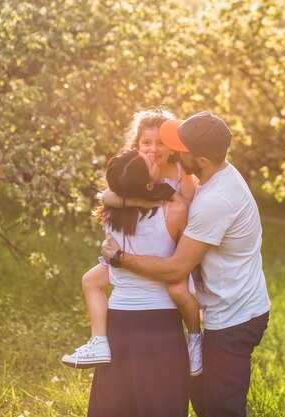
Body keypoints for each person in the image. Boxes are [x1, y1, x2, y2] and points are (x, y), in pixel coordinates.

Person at [101, 111, 271, 417]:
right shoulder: (214, 176)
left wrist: (119, 258)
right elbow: (112, 195)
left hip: (234, 316)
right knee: (201, 396)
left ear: (202, 160)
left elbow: (176, 269)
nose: (174, 151)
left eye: (181, 148)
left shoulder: (215, 201)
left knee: (222, 408)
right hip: (226, 306)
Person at [61, 109, 203, 375]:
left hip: (173, 247)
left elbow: (188, 209)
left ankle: (195, 337)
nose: (153, 149)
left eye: (160, 143)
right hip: (136, 250)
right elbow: (107, 197)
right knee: (90, 281)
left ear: (172, 146)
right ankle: (98, 340)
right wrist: (140, 200)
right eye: (146, 143)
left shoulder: (180, 172)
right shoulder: (134, 169)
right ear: (136, 145)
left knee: (177, 291)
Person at [87, 149, 190, 417]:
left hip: (118, 322)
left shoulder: (109, 213)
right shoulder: (176, 211)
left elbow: (110, 194)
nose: (153, 157)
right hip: (161, 325)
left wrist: (138, 198)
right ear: (146, 184)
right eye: (149, 162)